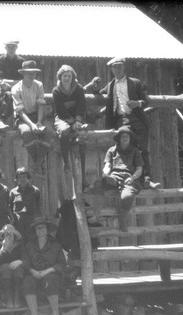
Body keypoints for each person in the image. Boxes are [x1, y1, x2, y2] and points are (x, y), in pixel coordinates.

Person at [90, 57, 161, 189]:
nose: (117, 70)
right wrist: (94, 87)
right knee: (125, 149)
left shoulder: (135, 83)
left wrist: (137, 103)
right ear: (112, 70)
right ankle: (124, 179)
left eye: (119, 67)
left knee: (143, 150)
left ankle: (147, 180)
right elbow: (99, 94)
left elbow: (146, 100)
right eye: (114, 67)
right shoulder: (111, 85)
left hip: (138, 119)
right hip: (122, 120)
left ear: (124, 68)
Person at [21, 217, 68, 315]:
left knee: (50, 280)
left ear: (47, 229)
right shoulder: (29, 246)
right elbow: (25, 262)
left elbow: (62, 264)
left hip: (50, 274)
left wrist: (47, 271)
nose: (40, 231)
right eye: (38, 228)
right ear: (35, 231)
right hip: (34, 274)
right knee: (27, 282)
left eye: (43, 228)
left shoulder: (56, 245)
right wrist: (33, 271)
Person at [12, 60, 55, 175]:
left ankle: (37, 163)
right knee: (26, 133)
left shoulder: (38, 85)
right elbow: (20, 111)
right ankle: (38, 162)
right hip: (23, 117)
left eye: (34, 73)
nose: (32, 75)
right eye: (29, 73)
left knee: (49, 132)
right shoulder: (16, 88)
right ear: (23, 74)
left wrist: (39, 121)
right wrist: (31, 124)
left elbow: (40, 104)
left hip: (37, 115)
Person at [102, 126, 144, 231]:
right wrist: (105, 173)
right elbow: (107, 165)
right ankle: (96, 214)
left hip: (129, 177)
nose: (125, 138)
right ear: (119, 138)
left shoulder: (135, 151)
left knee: (127, 196)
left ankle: (122, 220)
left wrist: (133, 178)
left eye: (127, 137)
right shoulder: (112, 150)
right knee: (98, 185)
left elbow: (139, 169)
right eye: (123, 136)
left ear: (130, 139)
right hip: (114, 176)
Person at [52, 65, 88, 173]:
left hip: (77, 119)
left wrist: (77, 121)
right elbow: (60, 110)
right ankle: (66, 162)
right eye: (64, 76)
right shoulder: (56, 91)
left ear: (72, 77)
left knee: (83, 134)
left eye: (69, 76)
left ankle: (83, 170)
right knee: (64, 131)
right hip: (62, 117)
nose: (66, 78)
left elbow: (81, 106)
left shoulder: (79, 89)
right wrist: (72, 122)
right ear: (60, 77)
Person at [0, 224, 24, 308]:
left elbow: (26, 260)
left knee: (18, 269)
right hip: (3, 275)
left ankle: (17, 299)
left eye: (10, 234)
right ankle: (9, 300)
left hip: (18, 273)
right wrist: (3, 249)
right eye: (6, 234)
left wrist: (20, 261)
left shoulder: (20, 246)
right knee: (5, 267)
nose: (8, 235)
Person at [9, 167, 41, 241]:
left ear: (28, 178)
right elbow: (10, 208)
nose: (22, 179)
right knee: (20, 243)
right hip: (18, 223)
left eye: (24, 177)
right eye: (19, 177)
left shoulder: (35, 191)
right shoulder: (13, 192)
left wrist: (38, 221)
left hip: (31, 222)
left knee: (32, 242)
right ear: (16, 179)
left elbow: (39, 207)